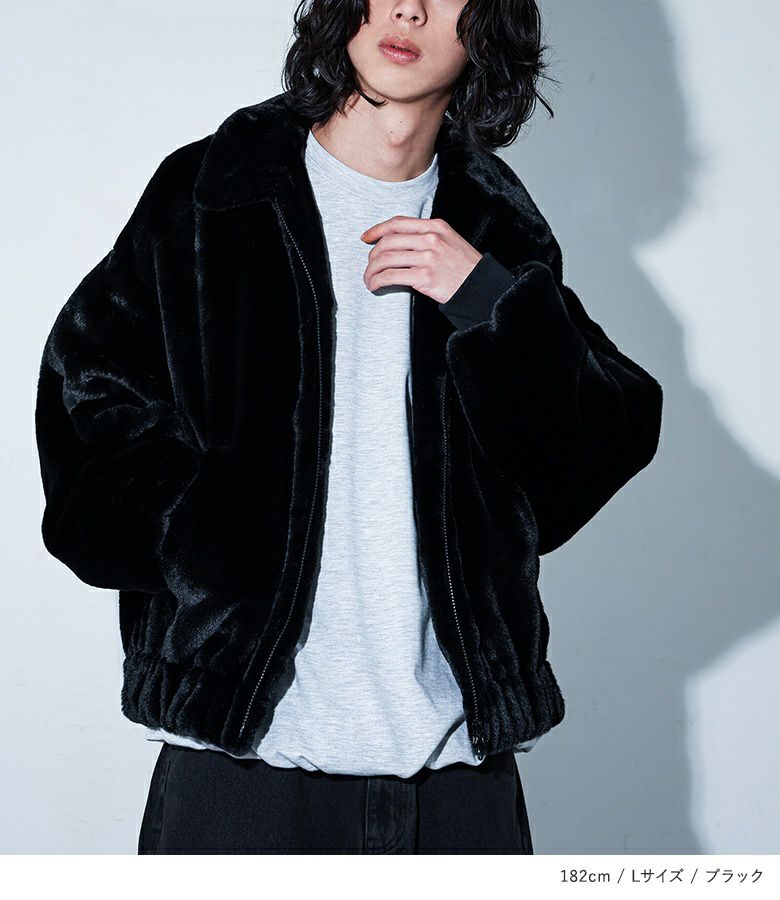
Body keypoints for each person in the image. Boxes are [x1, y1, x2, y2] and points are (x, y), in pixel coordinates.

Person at [34, 0, 663, 854]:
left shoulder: (496, 230)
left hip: (459, 780)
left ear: (489, 26)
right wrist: (206, 534)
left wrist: (490, 305)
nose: (408, 9)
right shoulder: (216, 193)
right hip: (242, 774)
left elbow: (595, 449)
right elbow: (85, 406)